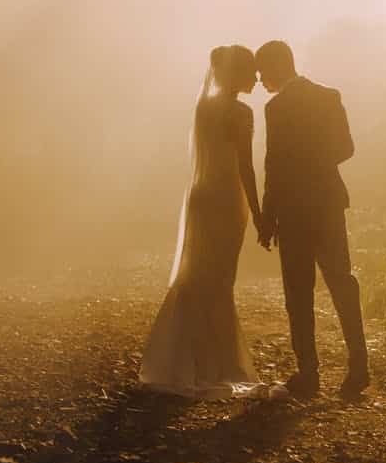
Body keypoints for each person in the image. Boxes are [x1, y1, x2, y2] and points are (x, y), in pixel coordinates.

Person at [138, 44, 269, 398]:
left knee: (195, 277)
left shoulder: (203, 108)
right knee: (219, 280)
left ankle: (182, 359)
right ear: (237, 74)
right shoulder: (241, 113)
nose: (257, 78)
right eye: (251, 71)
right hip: (227, 199)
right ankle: (214, 363)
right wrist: (258, 213)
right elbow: (245, 166)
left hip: (201, 197)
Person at [254, 38, 370, 400]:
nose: (260, 82)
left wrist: (267, 217)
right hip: (327, 203)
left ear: (276, 67)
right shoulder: (328, 96)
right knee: (342, 283)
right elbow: (346, 148)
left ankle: (309, 374)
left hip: (292, 210)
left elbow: (273, 164)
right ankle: (359, 368)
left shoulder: (276, 109)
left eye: (262, 73)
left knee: (298, 292)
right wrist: (316, 162)